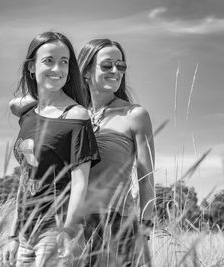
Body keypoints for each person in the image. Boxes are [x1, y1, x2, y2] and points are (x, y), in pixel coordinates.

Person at [10, 38, 155, 266]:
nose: (116, 71)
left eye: (121, 66)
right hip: (69, 222)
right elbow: (17, 105)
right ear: (85, 71)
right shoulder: (72, 113)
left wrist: (145, 230)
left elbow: (146, 179)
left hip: (113, 221)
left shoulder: (134, 115)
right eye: (107, 65)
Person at [3, 31, 100, 267]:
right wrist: (14, 235)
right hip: (26, 231)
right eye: (48, 60)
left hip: (54, 230)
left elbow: (80, 182)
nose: (57, 69)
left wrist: (68, 233)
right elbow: (26, 178)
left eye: (64, 62)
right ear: (31, 67)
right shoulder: (28, 116)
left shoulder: (76, 116)